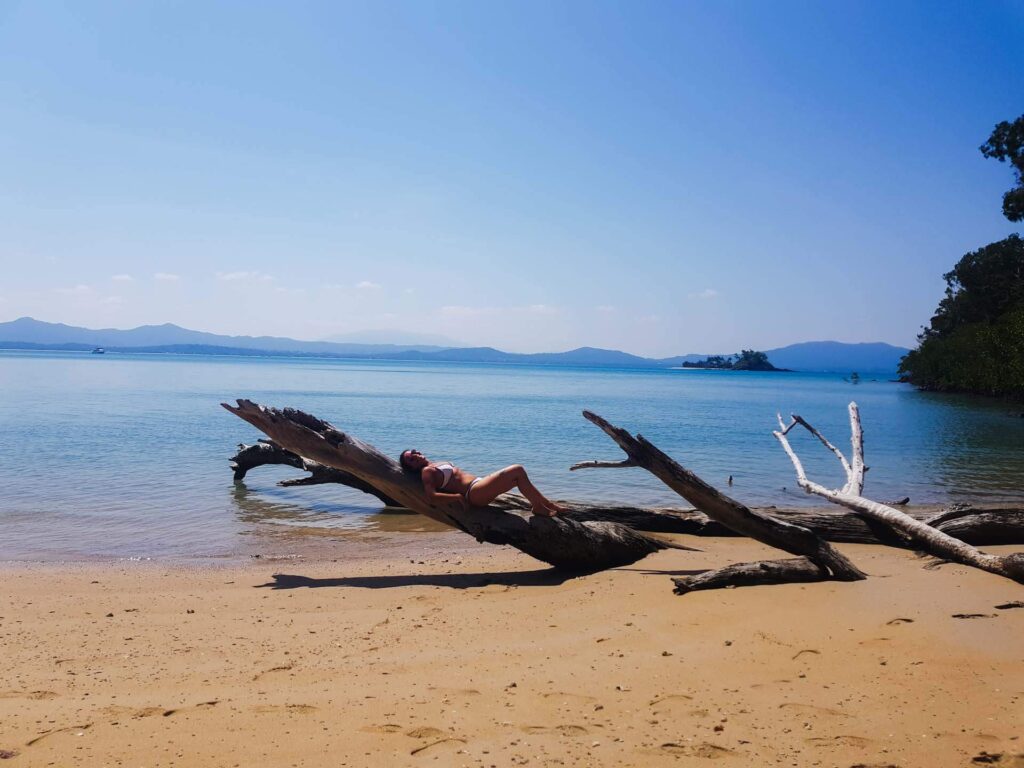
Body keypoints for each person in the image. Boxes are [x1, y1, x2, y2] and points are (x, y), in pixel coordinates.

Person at [399, 449, 564, 517]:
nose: (416, 455)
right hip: (473, 493)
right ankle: (539, 506)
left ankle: (545, 504)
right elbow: (431, 497)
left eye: (414, 452)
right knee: (517, 470)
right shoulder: (427, 472)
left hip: (478, 485)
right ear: (412, 467)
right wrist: (457, 497)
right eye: (411, 459)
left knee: (517, 478)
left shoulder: (435, 463)